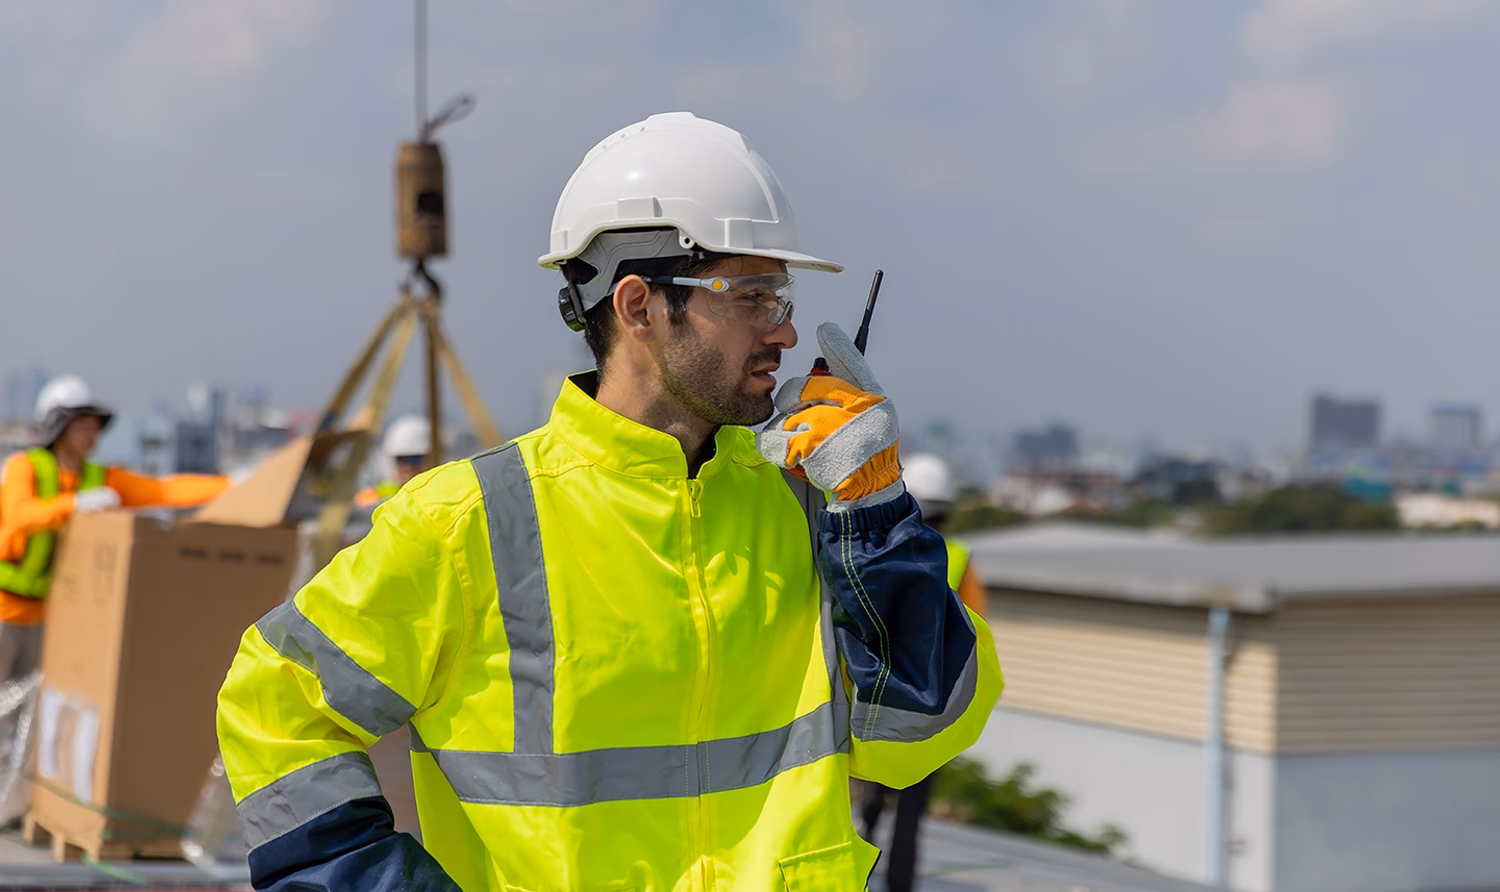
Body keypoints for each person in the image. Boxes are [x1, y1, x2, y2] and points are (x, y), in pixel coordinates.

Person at [216, 111, 1003, 891]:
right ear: (638, 307)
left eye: (782, 297)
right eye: (753, 296)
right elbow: (274, 711)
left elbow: (916, 742)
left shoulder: (807, 510)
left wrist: (874, 514)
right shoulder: (471, 524)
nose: (785, 334)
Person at [0, 375, 231, 763]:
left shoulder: (99, 479)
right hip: (5, 611)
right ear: (58, 427)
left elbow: (164, 491)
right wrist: (73, 505)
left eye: (94, 426)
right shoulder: (26, 467)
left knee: (25, 715)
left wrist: (233, 485)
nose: (92, 434)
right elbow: (20, 516)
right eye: (82, 425)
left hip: (44, 618)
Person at [858, 453, 986, 892]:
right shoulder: (961, 557)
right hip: (933, 701)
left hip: (876, 693)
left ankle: (855, 877)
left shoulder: (878, 549)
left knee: (867, 801)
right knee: (911, 811)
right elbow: (978, 639)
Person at [354, 415, 433, 508]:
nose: (407, 466)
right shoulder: (376, 496)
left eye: (415, 458)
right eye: (401, 459)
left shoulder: (441, 496)